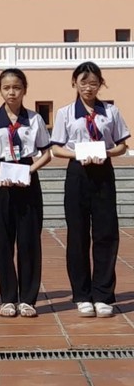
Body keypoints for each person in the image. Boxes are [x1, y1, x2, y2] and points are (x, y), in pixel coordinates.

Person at [50, 61, 130, 318]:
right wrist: (77, 154)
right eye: (83, 82)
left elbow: (122, 145)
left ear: (101, 84)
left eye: (94, 82)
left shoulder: (111, 111)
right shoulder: (65, 113)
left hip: (103, 173)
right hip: (78, 174)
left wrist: (105, 152)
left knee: (106, 233)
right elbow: (56, 147)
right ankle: (82, 295)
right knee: (78, 235)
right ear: (74, 83)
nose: (88, 87)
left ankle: (104, 294)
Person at [0, 68, 52, 319]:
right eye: (7, 87)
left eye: (17, 87)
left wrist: (29, 171)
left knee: (29, 239)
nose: (12, 92)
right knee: (4, 240)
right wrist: (1, 172)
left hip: (27, 177)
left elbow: (46, 153)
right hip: (1, 178)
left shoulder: (35, 119)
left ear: (25, 89)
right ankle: (8, 298)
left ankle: (28, 299)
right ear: (0, 90)